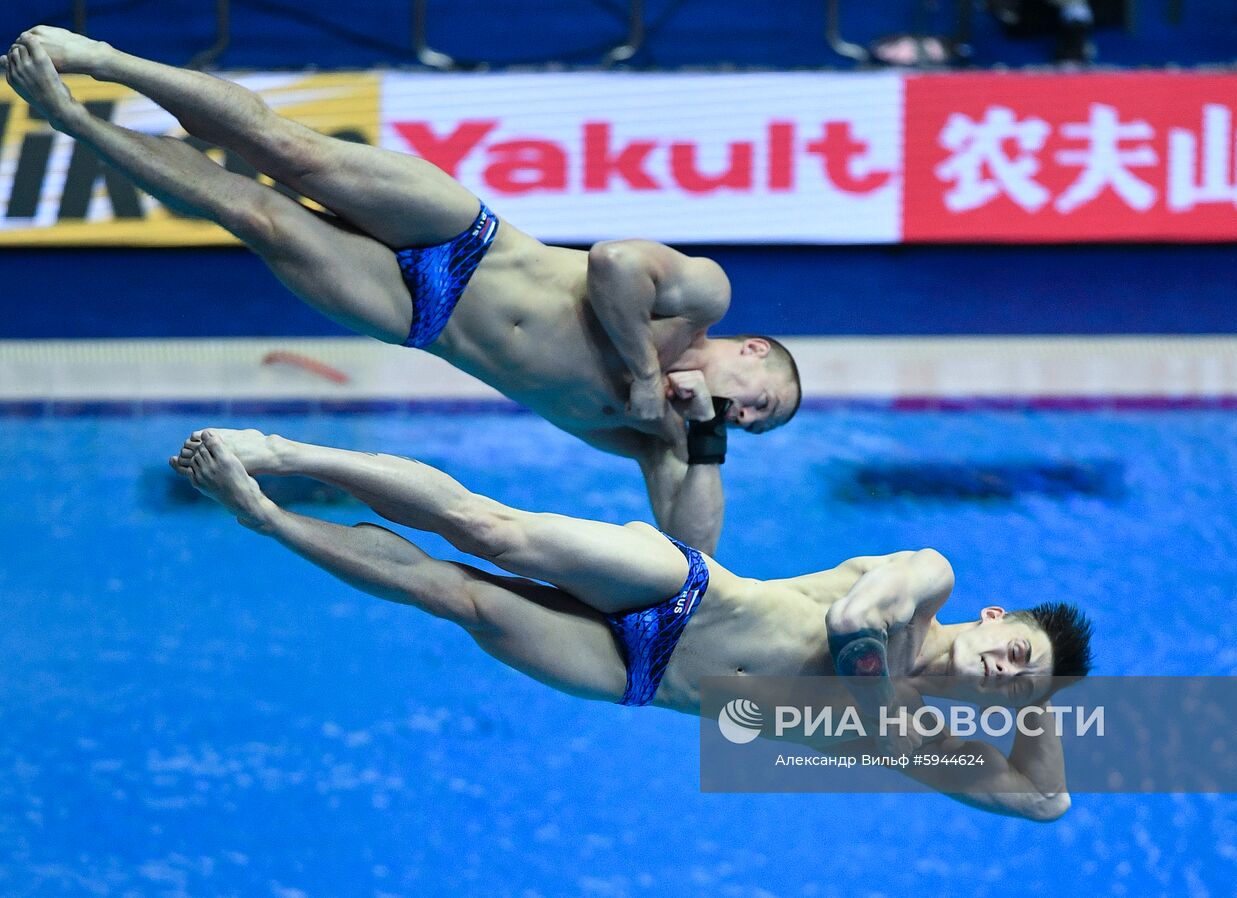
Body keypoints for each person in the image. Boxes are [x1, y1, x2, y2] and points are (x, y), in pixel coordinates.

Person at [3, 27, 803, 554]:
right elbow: (614, 263)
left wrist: (705, 443)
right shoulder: (704, 300)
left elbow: (692, 554)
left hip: (421, 316)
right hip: (466, 241)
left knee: (251, 213)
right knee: (289, 151)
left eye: (755, 425)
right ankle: (103, 60)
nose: (747, 415)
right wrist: (637, 367)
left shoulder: (657, 434)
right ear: (754, 350)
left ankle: (74, 120)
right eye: (761, 400)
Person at [169, 427, 1095, 820]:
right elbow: (861, 613)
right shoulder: (930, 582)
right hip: (685, 592)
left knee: (454, 596)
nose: (1000, 669)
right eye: (1013, 648)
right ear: (993, 616)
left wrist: (1041, 702)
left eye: (1015, 679)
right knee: (489, 529)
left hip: (644, 676)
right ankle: (279, 452)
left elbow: (1044, 801)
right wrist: (874, 678)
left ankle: (266, 517)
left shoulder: (922, 740)